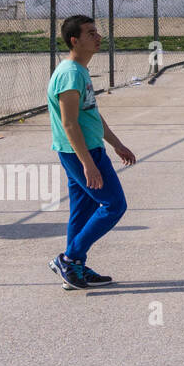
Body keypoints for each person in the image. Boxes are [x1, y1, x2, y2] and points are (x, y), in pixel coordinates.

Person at [47, 15, 137, 289]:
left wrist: (116, 143)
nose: (97, 37)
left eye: (96, 31)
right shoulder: (70, 73)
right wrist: (88, 163)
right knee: (113, 205)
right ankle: (70, 258)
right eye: (90, 33)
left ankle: (75, 270)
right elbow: (70, 123)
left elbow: (91, 116)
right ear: (74, 40)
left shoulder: (80, 71)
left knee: (82, 211)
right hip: (80, 153)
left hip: (86, 150)